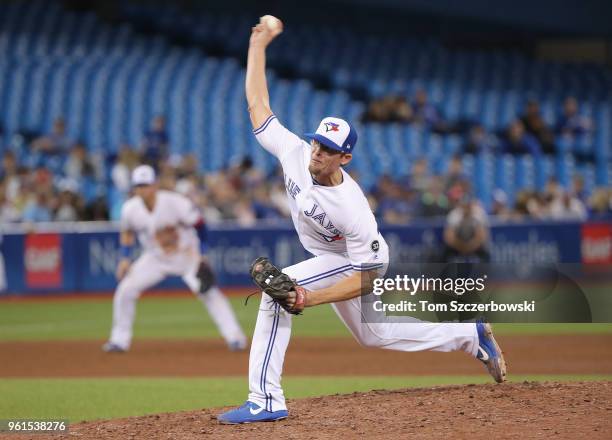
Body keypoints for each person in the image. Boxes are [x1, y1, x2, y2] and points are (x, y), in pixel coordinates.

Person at [217, 19, 507, 425]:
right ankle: (468, 334)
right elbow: (257, 105)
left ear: (345, 158)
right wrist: (258, 45)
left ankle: (266, 400)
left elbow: (367, 276)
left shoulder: (352, 207)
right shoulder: (293, 152)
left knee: (275, 297)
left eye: (329, 148)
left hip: (360, 262)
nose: (318, 151)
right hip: (330, 254)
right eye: (317, 141)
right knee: (375, 334)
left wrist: (308, 297)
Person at [102, 164, 247, 353]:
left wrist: (202, 255)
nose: (142, 189)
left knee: (208, 292)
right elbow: (127, 233)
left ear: (154, 185)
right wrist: (124, 258)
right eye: (138, 185)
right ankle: (119, 341)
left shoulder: (174, 202)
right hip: (155, 258)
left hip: (186, 255)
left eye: (146, 184)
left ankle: (235, 337)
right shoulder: (130, 209)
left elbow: (200, 225)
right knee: (125, 290)